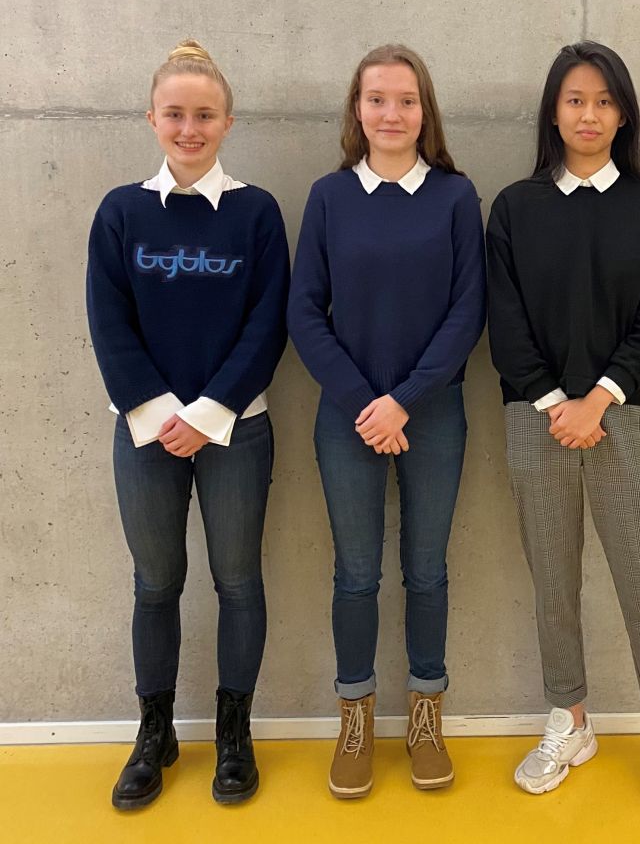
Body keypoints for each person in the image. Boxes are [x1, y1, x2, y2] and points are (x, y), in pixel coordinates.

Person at [486, 41, 640, 809]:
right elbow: (504, 320)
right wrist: (555, 403)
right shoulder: (515, 209)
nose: (590, 114)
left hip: (623, 418)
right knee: (553, 579)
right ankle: (570, 720)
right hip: (534, 418)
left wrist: (598, 400)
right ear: (553, 111)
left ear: (624, 115)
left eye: (605, 101)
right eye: (576, 99)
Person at [86, 40, 290, 809]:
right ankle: (155, 734)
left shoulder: (256, 213)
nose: (189, 128)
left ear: (228, 122)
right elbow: (109, 323)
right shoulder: (122, 212)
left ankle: (234, 735)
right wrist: (163, 414)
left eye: (205, 115)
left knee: (238, 582)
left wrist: (208, 415)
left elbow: (268, 324)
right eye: (175, 114)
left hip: (237, 428)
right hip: (145, 432)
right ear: (152, 119)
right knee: (155, 584)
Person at [287, 44, 485, 798]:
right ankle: (356, 720)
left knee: (427, 570)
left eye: (406, 100)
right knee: (356, 574)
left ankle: (426, 717)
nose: (391, 113)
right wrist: (364, 403)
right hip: (348, 417)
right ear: (357, 109)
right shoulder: (329, 197)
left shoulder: (456, 197)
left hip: (432, 414)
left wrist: (404, 399)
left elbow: (469, 309)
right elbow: (305, 311)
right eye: (377, 99)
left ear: (425, 111)